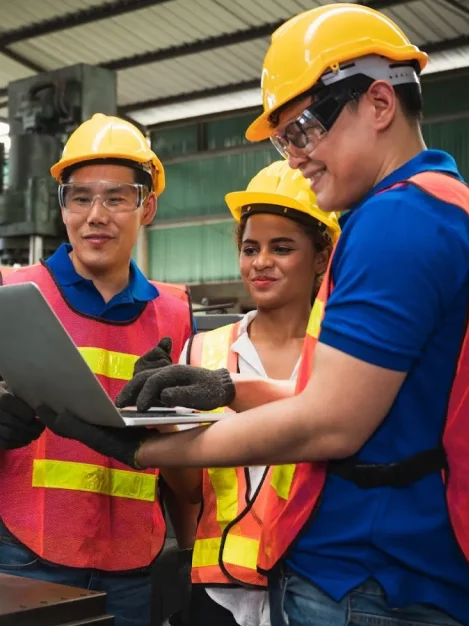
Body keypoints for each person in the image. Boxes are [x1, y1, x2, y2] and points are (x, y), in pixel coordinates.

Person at [35, 5, 469, 626]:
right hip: (396, 569)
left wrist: (144, 454)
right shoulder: (442, 207)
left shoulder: (397, 221)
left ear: (379, 104)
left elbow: (328, 426)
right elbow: (347, 399)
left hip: (371, 576)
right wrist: (227, 387)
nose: (294, 157)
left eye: (302, 130)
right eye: (283, 140)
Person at [0, 113, 196, 626]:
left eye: (116, 197)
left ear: (148, 206)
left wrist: (191, 555)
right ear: (63, 208)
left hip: (136, 561)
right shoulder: (15, 293)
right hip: (33, 554)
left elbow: (188, 445)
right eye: (80, 197)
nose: (97, 214)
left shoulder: (175, 312)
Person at [168, 160, 338, 626]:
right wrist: (159, 423)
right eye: (250, 248)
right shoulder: (203, 350)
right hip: (218, 590)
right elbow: (187, 491)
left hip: (315, 587)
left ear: (321, 257)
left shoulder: (343, 359)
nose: (261, 261)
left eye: (281, 248)